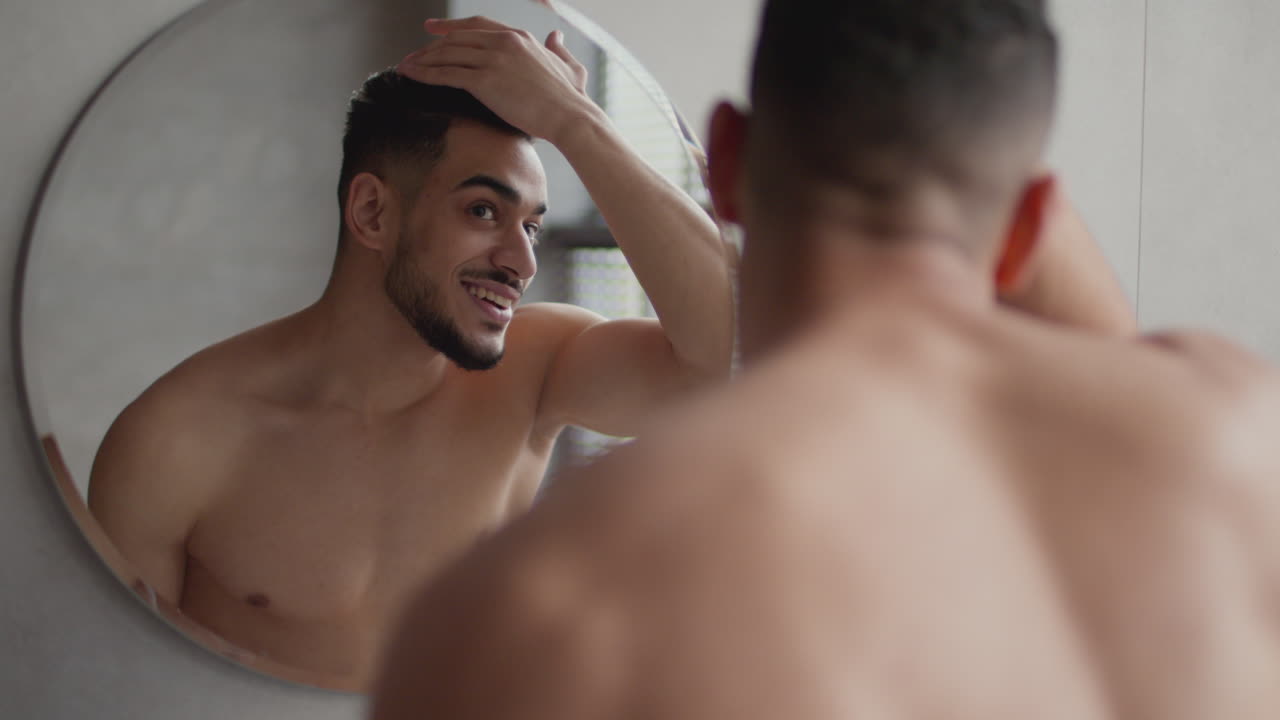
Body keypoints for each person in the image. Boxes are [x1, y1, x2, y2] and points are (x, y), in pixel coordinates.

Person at [370, 1, 1280, 717]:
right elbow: (1099, 354)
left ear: (723, 160)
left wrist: (577, 121)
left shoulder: (552, 607)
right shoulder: (1242, 449)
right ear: (1030, 225)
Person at [87, 16, 733, 690]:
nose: (521, 261)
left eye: (533, 226)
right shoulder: (179, 437)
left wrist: (576, 122)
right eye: (484, 211)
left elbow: (731, 356)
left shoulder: (535, 369)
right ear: (371, 213)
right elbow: (114, 688)